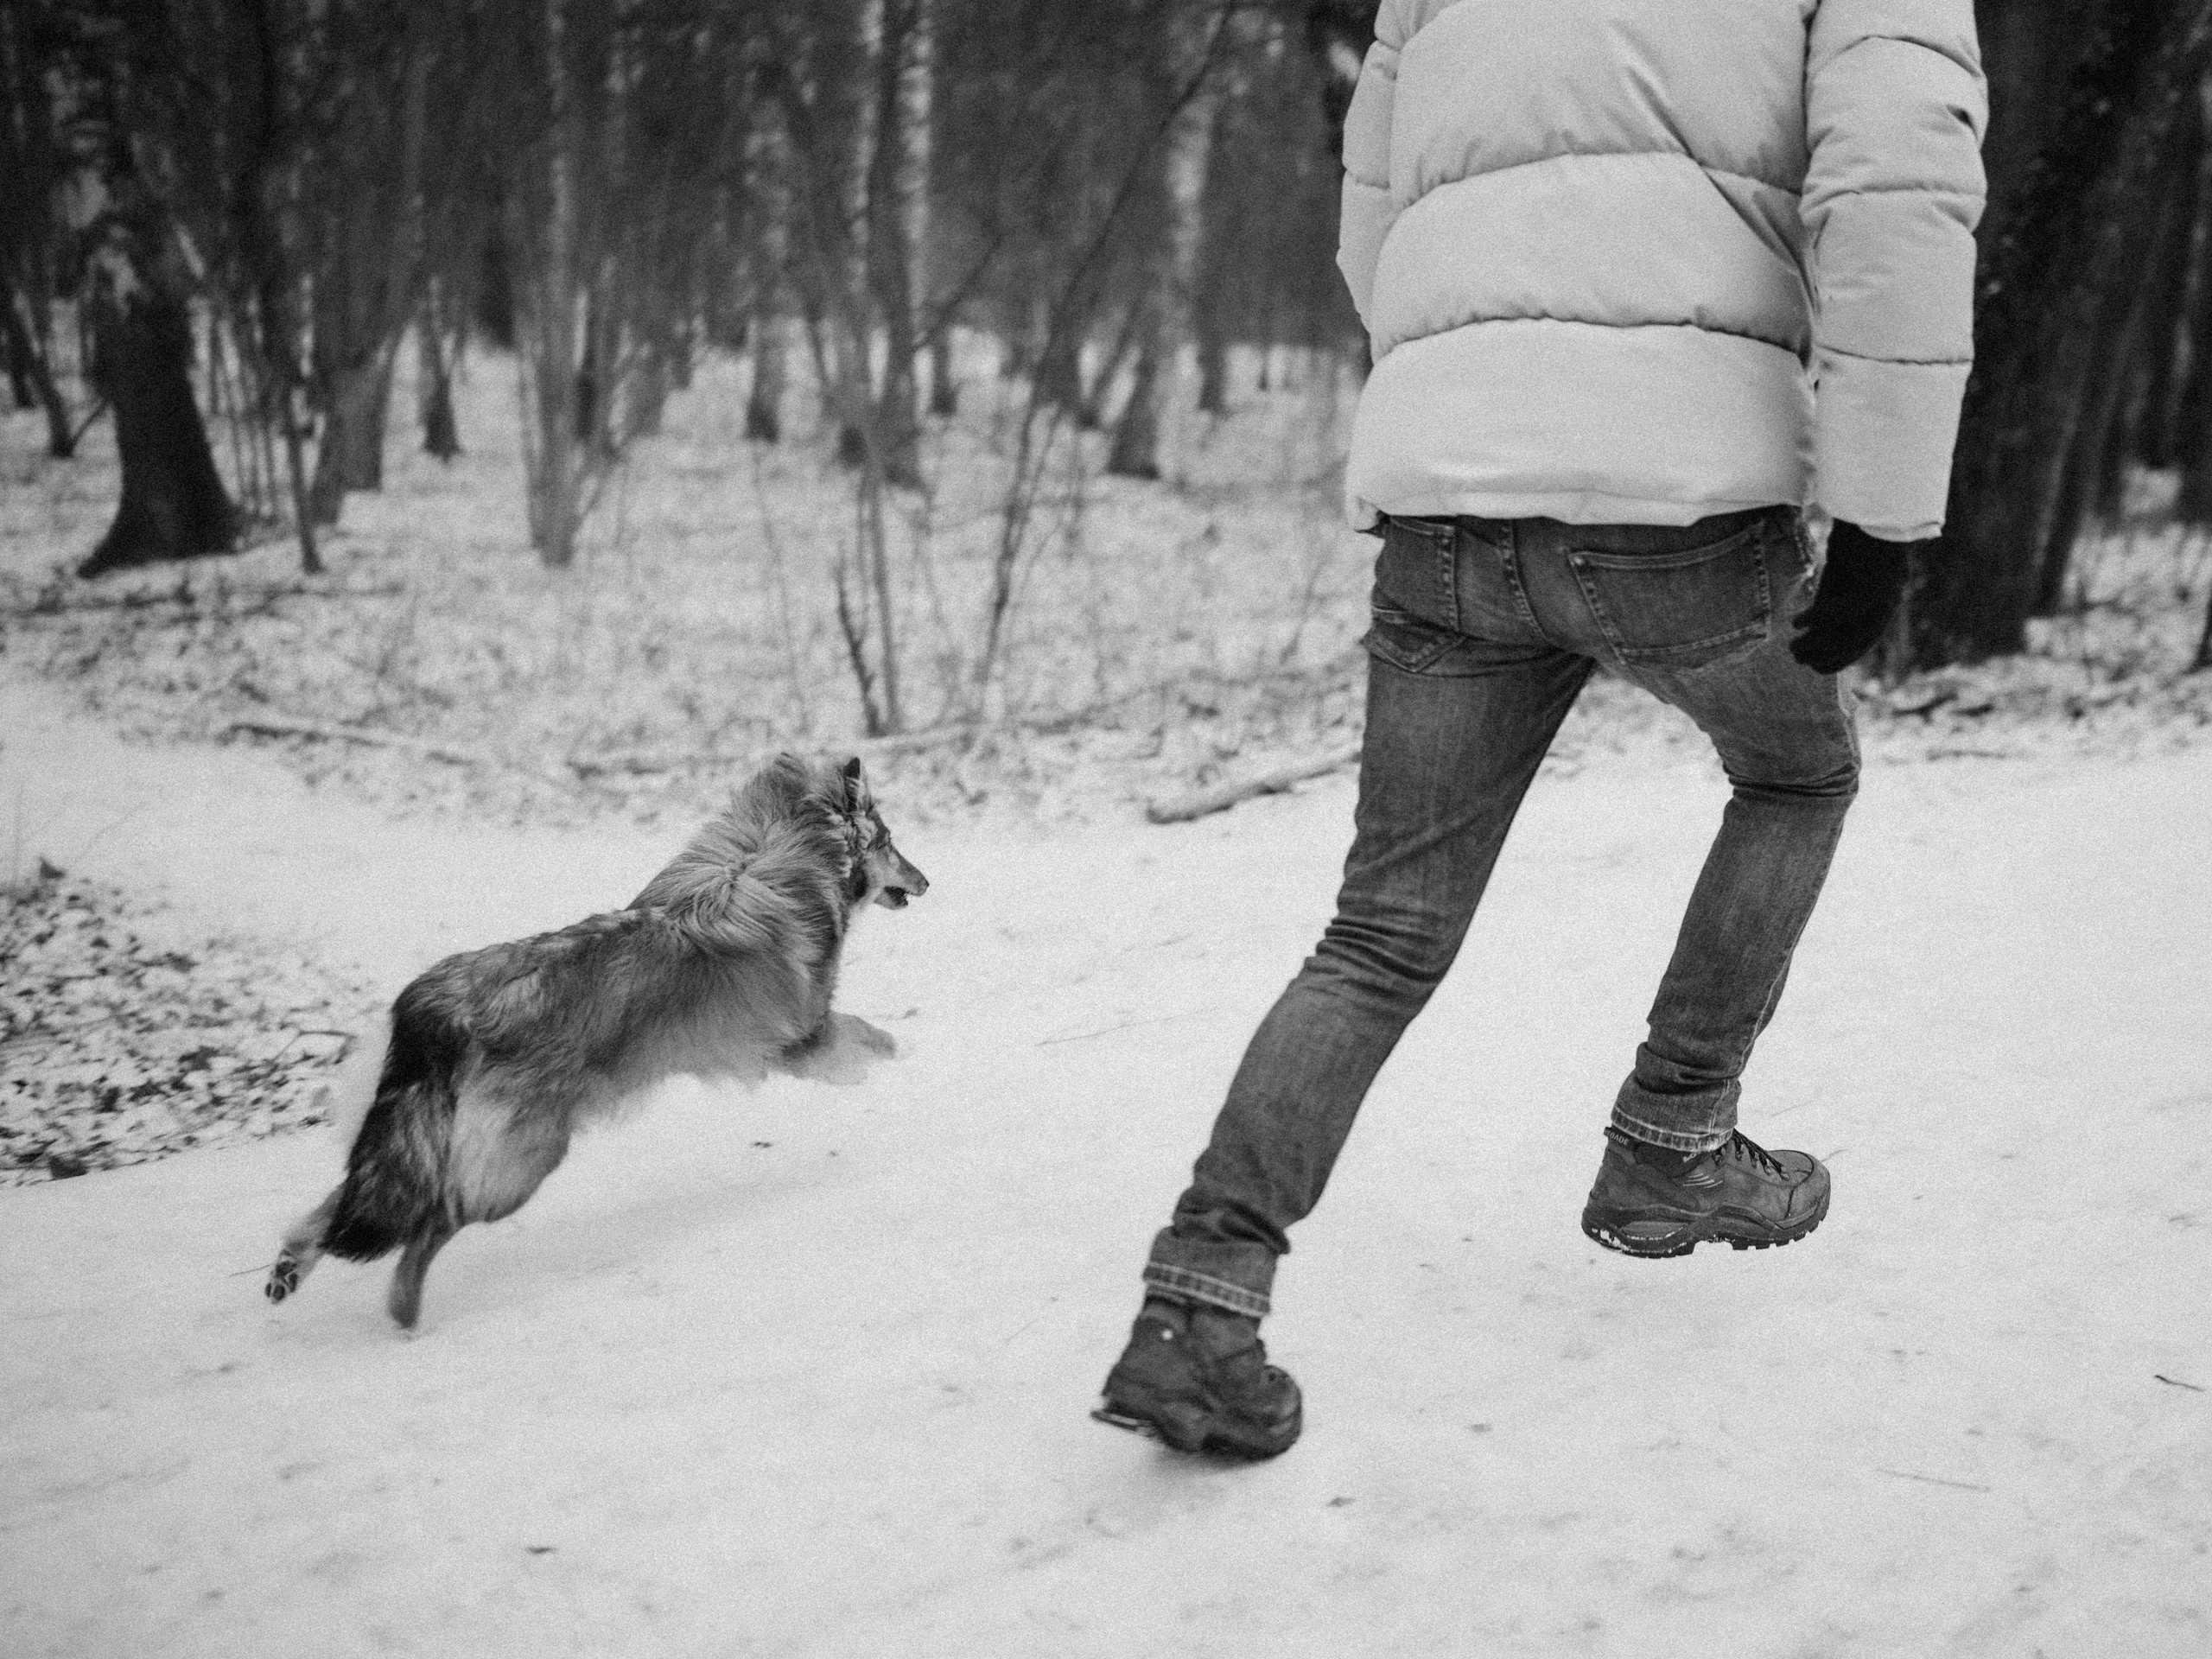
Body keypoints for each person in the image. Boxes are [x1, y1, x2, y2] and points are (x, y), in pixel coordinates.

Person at [1093, 0, 1987, 1459]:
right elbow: (1897, 195)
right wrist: (1886, 508)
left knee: (1379, 937)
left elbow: (1371, 210)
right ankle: (1672, 1143)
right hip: (1684, 508)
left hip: (1448, 504)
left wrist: (1477, 385)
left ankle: (1201, 1305)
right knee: (1798, 771)